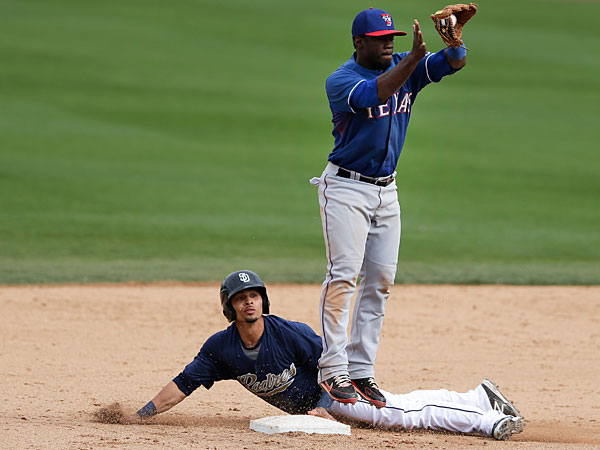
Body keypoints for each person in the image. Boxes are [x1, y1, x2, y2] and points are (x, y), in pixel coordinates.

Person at [121, 270, 524, 441]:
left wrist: (324, 403)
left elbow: (336, 365)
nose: (249, 303)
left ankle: (489, 421)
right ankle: (477, 398)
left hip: (337, 393)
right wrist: (141, 415)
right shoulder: (220, 349)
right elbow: (183, 384)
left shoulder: (290, 334)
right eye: (241, 299)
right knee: (402, 406)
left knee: (395, 415)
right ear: (230, 308)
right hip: (322, 405)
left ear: (263, 299)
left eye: (254, 296)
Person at [310, 5, 477, 407]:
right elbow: (377, 92)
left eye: (393, 39)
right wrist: (415, 59)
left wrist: (455, 44)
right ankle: (334, 370)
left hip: (388, 191)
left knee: (380, 283)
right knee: (344, 277)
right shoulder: (342, 79)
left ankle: (362, 370)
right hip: (346, 189)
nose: (389, 44)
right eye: (380, 40)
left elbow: (454, 64)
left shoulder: (406, 63)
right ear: (358, 43)